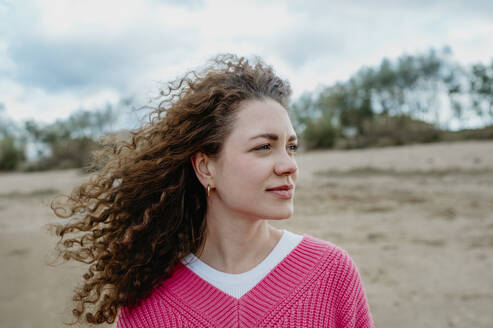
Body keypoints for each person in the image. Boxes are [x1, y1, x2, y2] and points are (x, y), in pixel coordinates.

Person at [50, 54, 374, 327]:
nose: (289, 165)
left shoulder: (330, 272)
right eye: (264, 147)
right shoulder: (148, 303)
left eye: (291, 147)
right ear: (206, 167)